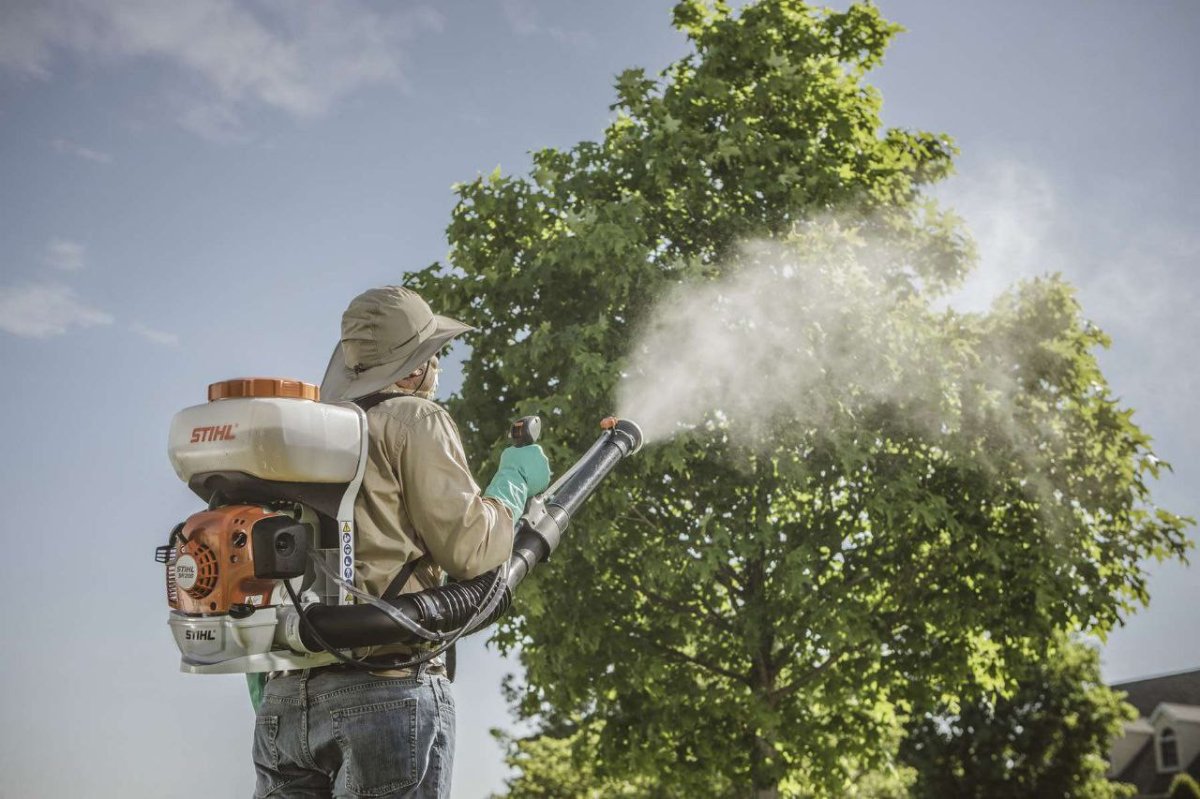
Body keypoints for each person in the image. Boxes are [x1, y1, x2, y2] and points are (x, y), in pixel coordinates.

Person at [251, 285, 551, 798]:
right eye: (433, 354)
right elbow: (473, 550)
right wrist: (514, 482)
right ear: (413, 369)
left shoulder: (306, 435)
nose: (436, 366)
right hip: (384, 691)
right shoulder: (414, 418)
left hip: (283, 699)